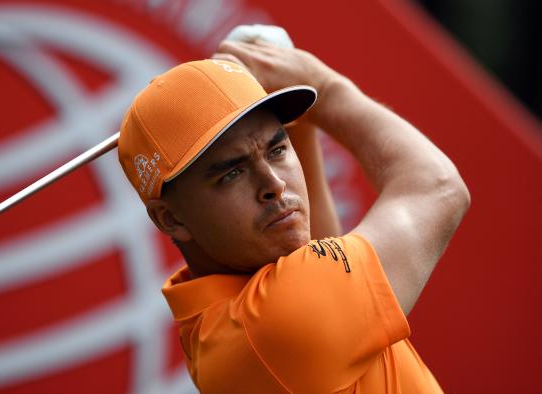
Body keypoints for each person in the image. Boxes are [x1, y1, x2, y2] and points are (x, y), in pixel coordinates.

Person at [117, 36, 470, 393]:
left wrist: (303, 128)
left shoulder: (224, 315)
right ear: (170, 219)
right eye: (231, 173)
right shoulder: (273, 324)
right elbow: (438, 187)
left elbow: (316, 250)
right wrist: (326, 87)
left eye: (277, 149)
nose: (273, 185)